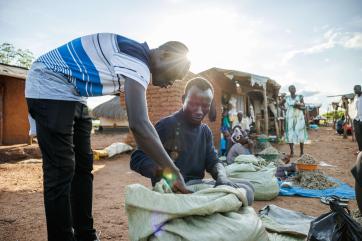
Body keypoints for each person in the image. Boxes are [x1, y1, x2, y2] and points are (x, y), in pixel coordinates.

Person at [25, 33, 190, 241]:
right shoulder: (137, 58)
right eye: (174, 75)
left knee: (83, 166)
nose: (169, 84)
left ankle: (86, 234)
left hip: (73, 93)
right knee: (61, 168)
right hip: (49, 80)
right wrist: (172, 170)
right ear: (165, 54)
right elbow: (139, 124)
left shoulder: (134, 59)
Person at [130, 77, 255, 204]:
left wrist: (222, 178)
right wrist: (168, 174)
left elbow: (213, 162)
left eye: (205, 106)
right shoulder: (167, 125)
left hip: (196, 186)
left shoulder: (205, 131)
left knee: (248, 188)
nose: (199, 111)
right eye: (193, 104)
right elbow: (137, 158)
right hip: (174, 191)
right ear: (183, 100)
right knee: (242, 194)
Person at [282, 85, 308, 157]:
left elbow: (304, 107)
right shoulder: (286, 98)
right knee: (290, 134)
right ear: (289, 90)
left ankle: (301, 152)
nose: (293, 89)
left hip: (299, 118)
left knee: (301, 134)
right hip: (290, 118)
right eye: (291, 88)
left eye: (294, 88)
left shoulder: (300, 97)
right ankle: (292, 152)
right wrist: (285, 109)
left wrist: (298, 106)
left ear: (296, 89)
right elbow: (280, 104)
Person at [353, 85, 362, 153]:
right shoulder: (356, 97)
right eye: (354, 90)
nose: (354, 91)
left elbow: (360, 109)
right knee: (357, 135)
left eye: (355, 89)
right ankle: (360, 149)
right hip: (357, 118)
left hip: (360, 119)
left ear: (359, 89)